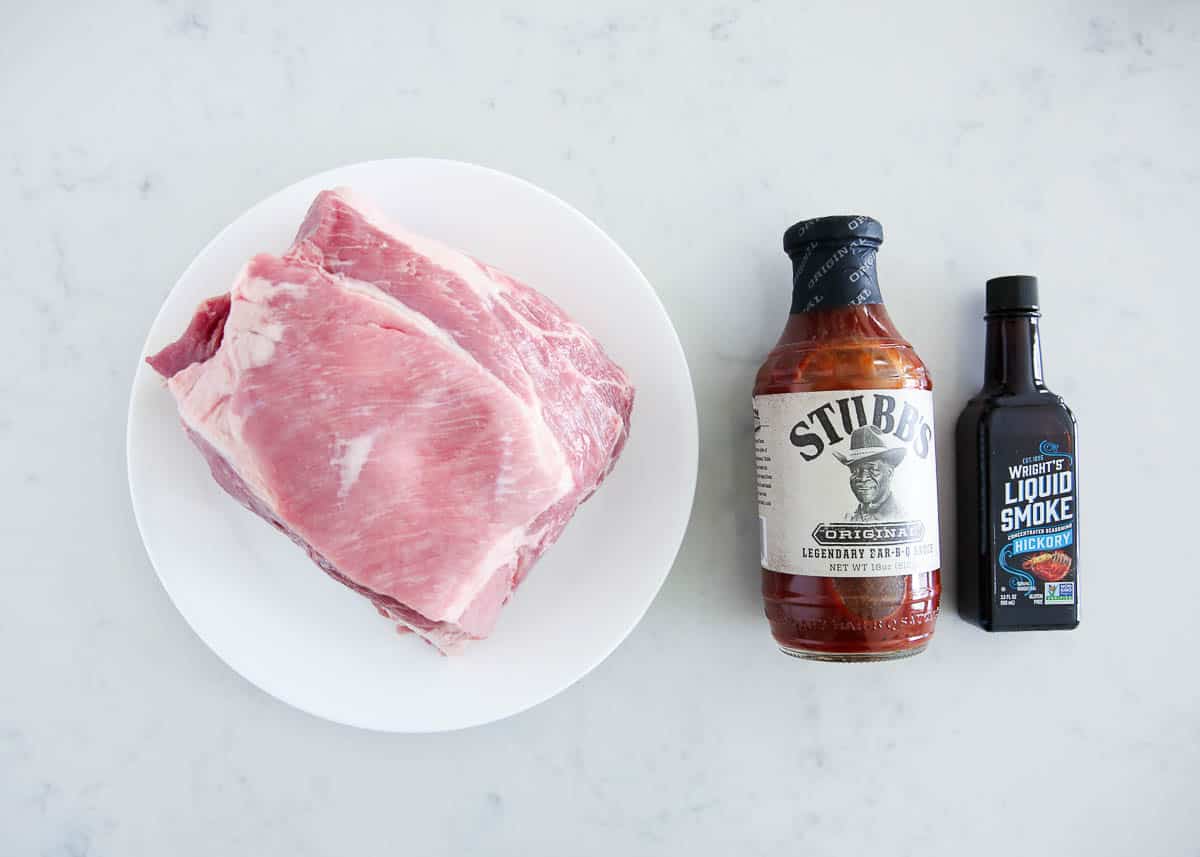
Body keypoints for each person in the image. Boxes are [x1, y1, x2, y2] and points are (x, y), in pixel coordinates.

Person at [833, 426, 907, 522]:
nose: (863, 478)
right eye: (855, 470)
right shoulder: (849, 516)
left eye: (872, 469)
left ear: (889, 473)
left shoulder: (901, 515)